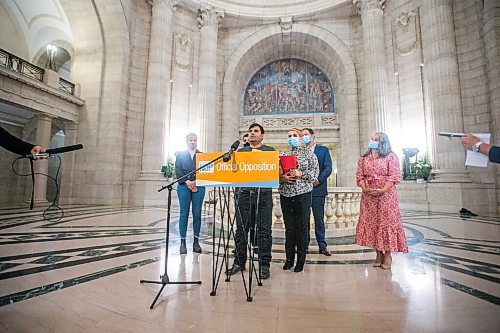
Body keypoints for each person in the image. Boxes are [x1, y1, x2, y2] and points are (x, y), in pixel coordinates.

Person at [227, 123, 275, 279]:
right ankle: (239, 262)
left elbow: (275, 172)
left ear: (262, 135)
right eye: (250, 131)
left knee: (264, 230)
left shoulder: (269, 151)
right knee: (241, 229)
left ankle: (264, 264)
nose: (252, 133)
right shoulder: (242, 151)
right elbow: (234, 171)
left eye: (256, 131)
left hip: (264, 194)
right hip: (244, 194)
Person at [355, 132, 408, 270]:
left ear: (383, 142)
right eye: (372, 139)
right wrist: (365, 187)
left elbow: (394, 176)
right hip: (368, 196)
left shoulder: (391, 156)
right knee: (372, 223)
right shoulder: (364, 158)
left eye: (376, 139)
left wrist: (383, 189)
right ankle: (378, 253)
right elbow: (359, 175)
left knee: (387, 223)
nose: (373, 141)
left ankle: (388, 254)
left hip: (386, 196)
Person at [279, 128, 319, 273]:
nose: (292, 138)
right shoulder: (283, 154)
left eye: (295, 135)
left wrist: (300, 173)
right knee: (289, 228)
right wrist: (282, 177)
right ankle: (289, 259)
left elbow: (315, 173)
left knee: (302, 227)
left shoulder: (309, 153)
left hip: (303, 193)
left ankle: (301, 260)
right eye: (289, 136)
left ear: (301, 138)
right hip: (286, 194)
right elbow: (276, 172)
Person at [302, 128, 332, 256]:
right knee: (304, 220)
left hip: (318, 190)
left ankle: (322, 245)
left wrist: (318, 180)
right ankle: (305, 244)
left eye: (306, 135)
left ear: (312, 136)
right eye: (302, 135)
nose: (304, 137)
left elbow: (328, 168)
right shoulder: (300, 152)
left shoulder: (323, 150)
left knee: (319, 219)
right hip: (302, 190)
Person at [175, 133, 206, 255]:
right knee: (184, 213)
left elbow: (205, 172)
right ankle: (183, 241)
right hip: (184, 186)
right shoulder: (180, 155)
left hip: (199, 185)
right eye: (190, 140)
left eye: (194, 140)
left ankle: (196, 241)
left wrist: (195, 182)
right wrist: (188, 182)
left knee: (197, 213)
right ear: (186, 142)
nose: (193, 142)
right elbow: (178, 169)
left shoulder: (202, 155)